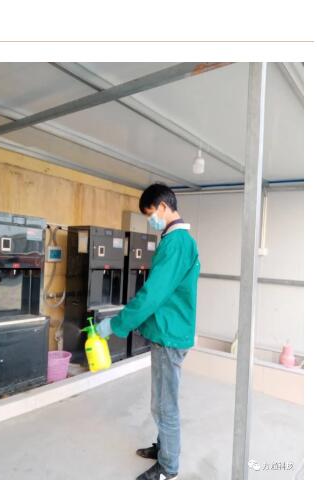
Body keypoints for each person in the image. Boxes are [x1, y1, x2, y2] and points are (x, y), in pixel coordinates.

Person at [96, 183, 200, 480]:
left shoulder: (177, 242)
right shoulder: (175, 240)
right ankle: (164, 447)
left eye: (151, 213)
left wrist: (117, 324)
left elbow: (153, 294)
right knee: (162, 400)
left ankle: (169, 467)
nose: (150, 220)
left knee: (165, 404)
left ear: (164, 207)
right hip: (167, 331)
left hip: (170, 335)